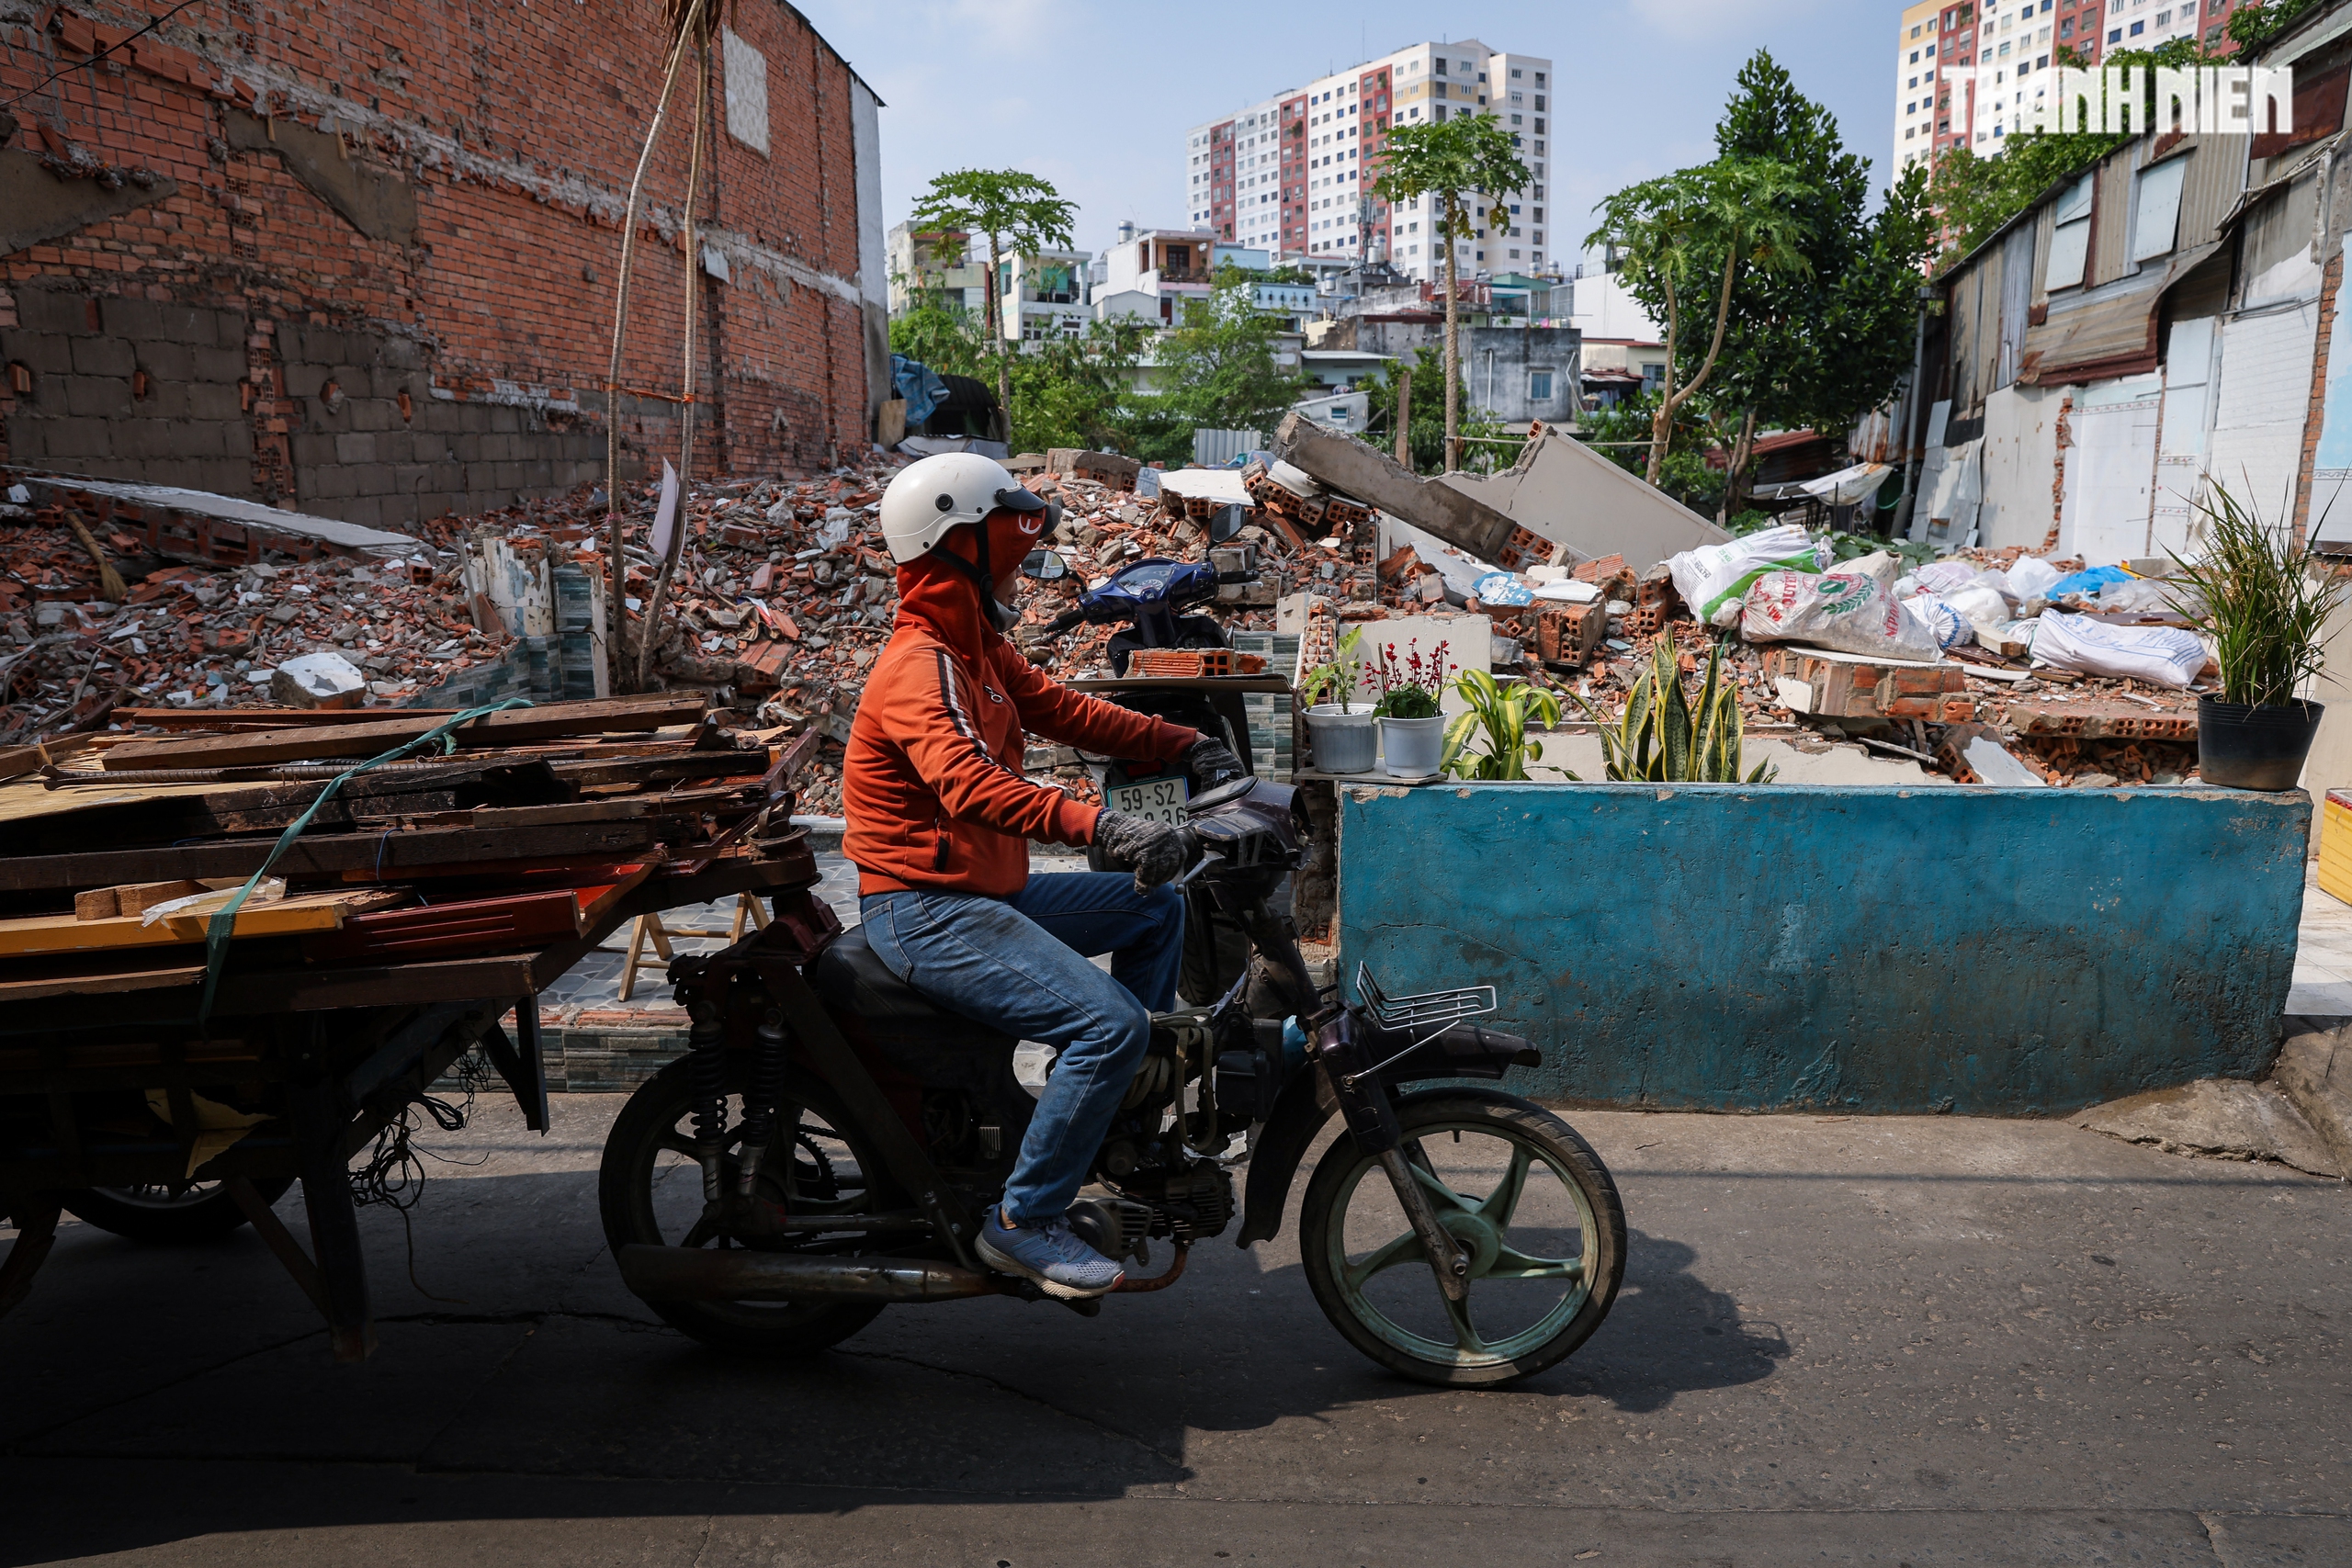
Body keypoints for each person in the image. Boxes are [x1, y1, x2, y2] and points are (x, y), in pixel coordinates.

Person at [842, 452, 1243, 1300]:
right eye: (1008, 541)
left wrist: (1182, 742)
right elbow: (968, 782)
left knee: (1154, 910)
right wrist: (1101, 825)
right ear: (960, 545)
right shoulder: (921, 664)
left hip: (982, 892)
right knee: (1106, 1025)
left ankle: (1116, 1124)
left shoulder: (973, 642)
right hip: (926, 911)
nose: (1023, 559)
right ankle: (1023, 1220)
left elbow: (1063, 709)